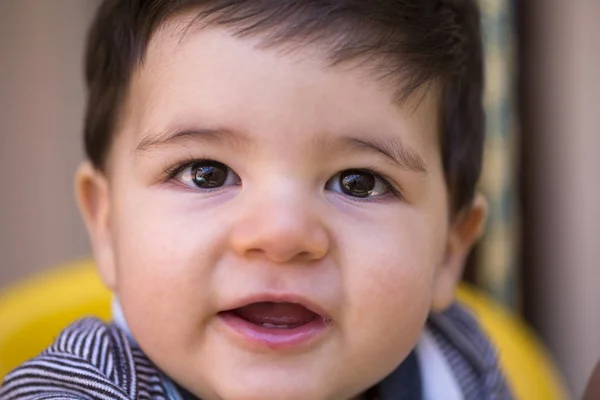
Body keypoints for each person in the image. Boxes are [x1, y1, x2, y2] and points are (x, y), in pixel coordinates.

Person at [0, 0, 512, 399]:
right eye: (206, 174)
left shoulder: (457, 365)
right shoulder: (84, 388)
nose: (282, 234)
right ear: (107, 225)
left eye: (359, 182)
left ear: (447, 250)